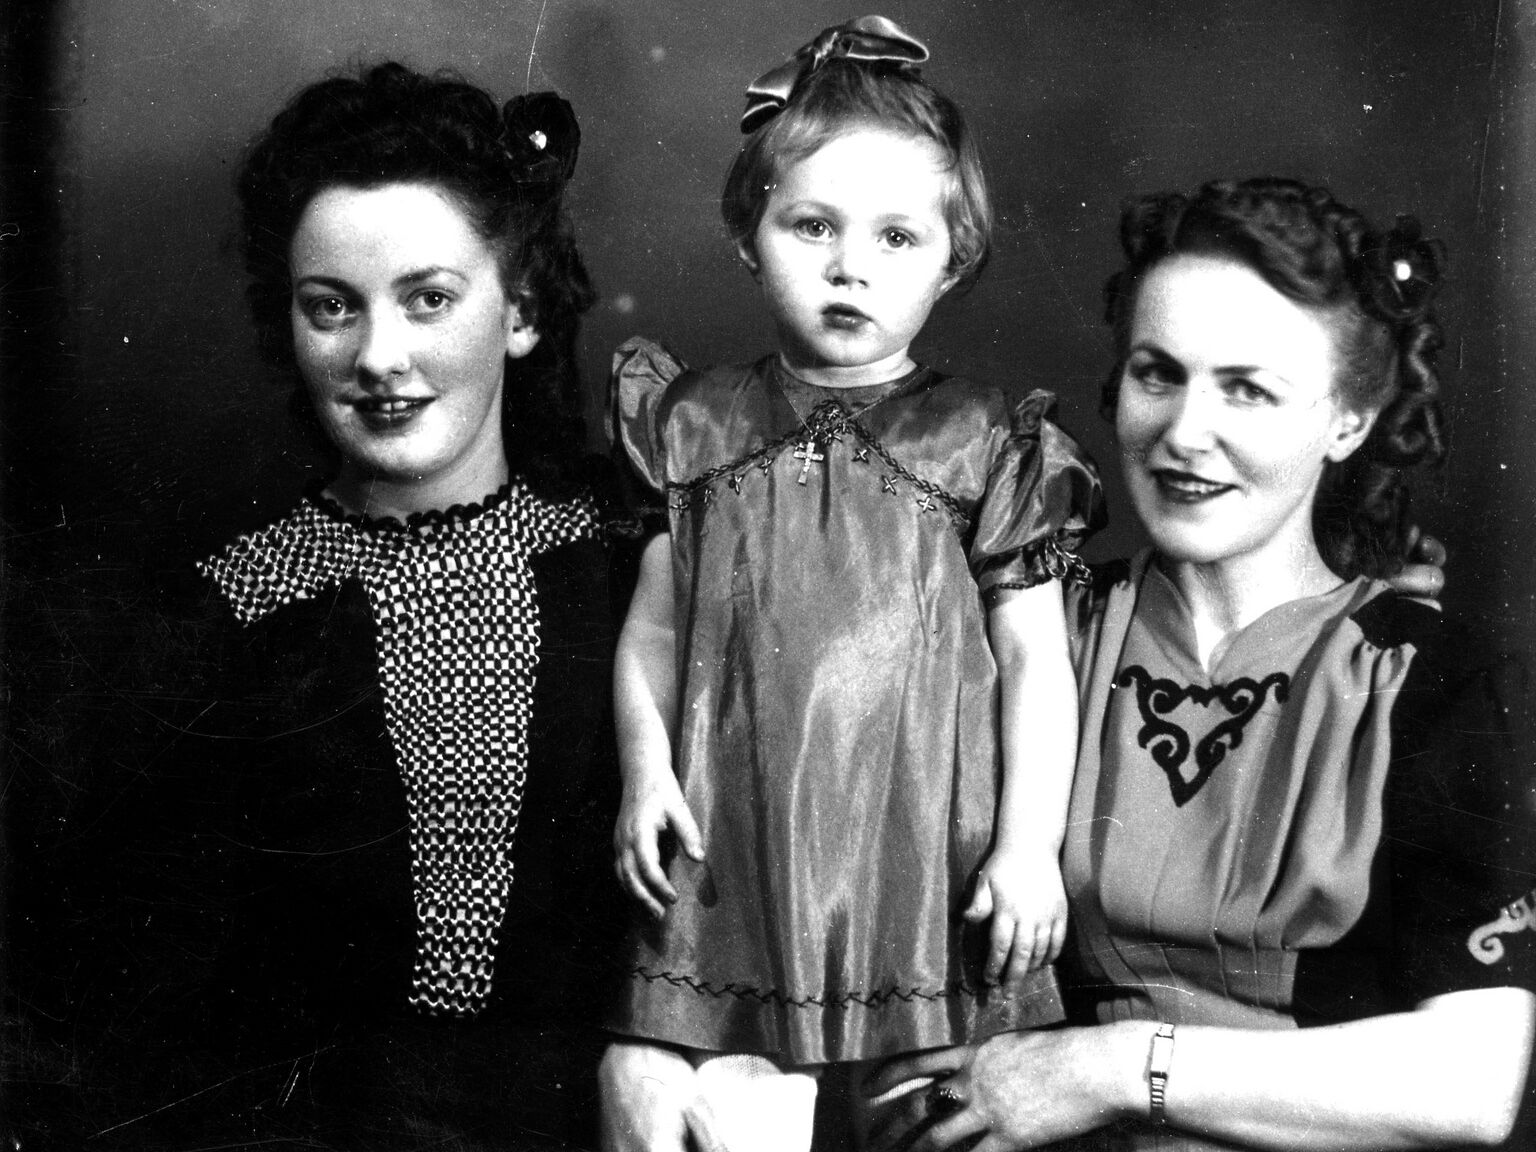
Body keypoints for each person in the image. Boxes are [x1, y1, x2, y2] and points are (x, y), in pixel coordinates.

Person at [867, 178, 1536, 1150]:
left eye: (1248, 389)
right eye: (1158, 374)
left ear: (1348, 421)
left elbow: (1471, 1083)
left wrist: (1108, 1069)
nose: (1184, 433)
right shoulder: (1038, 637)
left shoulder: (1428, 678)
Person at [80, 62, 620, 1150]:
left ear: (520, 311)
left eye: (430, 299)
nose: (378, 358)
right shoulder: (226, 609)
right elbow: (141, 998)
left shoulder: (627, 565)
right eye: (331, 307)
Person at [600, 17, 1104, 1151]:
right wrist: (644, 770)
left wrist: (1028, 845)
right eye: (812, 225)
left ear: (953, 259)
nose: (849, 265)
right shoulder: (693, 422)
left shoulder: (985, 440)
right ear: (750, 233)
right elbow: (653, 630)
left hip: (922, 858)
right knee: (731, 1109)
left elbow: (1035, 658)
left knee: (929, 1116)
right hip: (738, 849)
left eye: (896, 236)